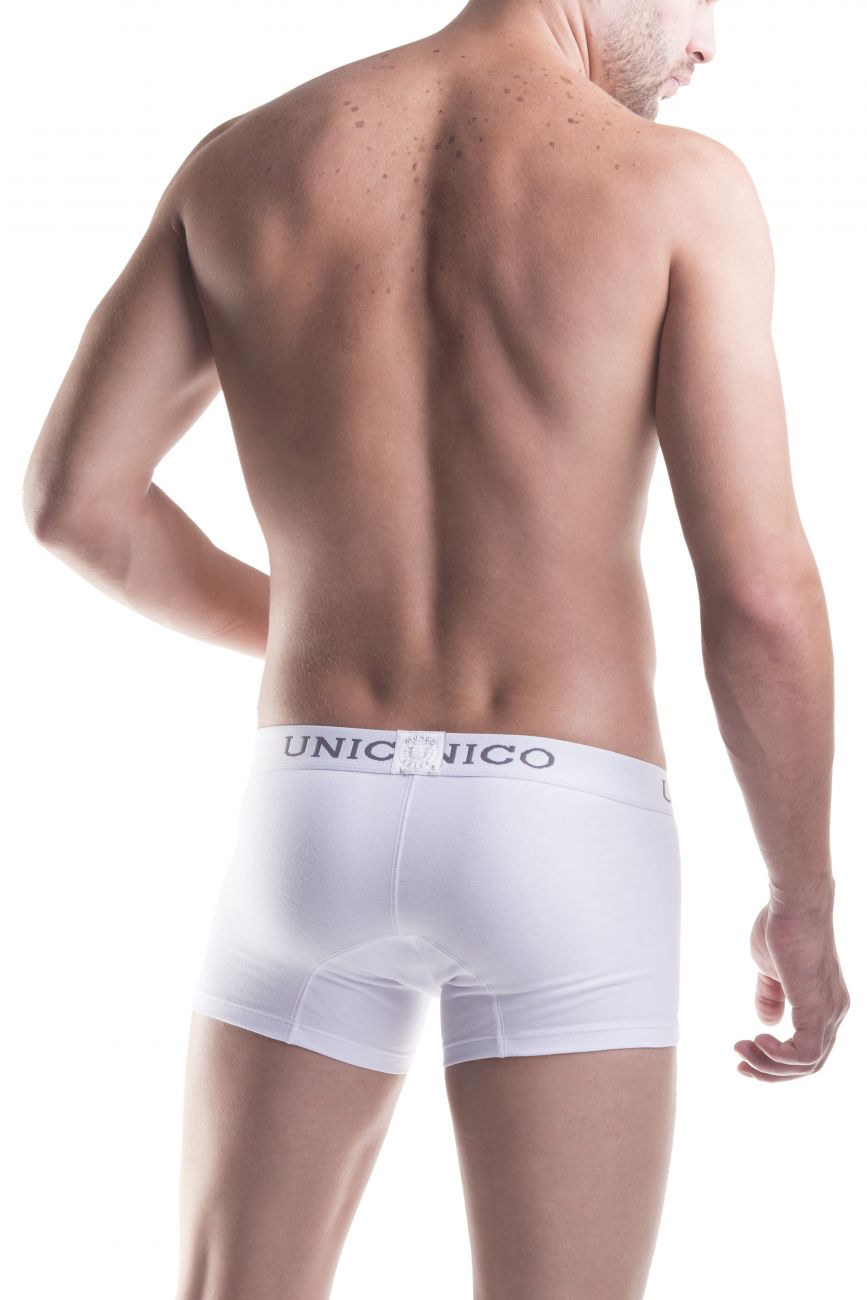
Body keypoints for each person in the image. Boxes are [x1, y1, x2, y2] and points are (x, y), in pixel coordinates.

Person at [22, 0, 851, 1296]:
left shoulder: (245, 160)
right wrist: (803, 897)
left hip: (313, 807)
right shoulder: (679, 189)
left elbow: (75, 504)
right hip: (562, 822)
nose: (709, 45)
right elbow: (758, 596)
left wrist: (312, 631)